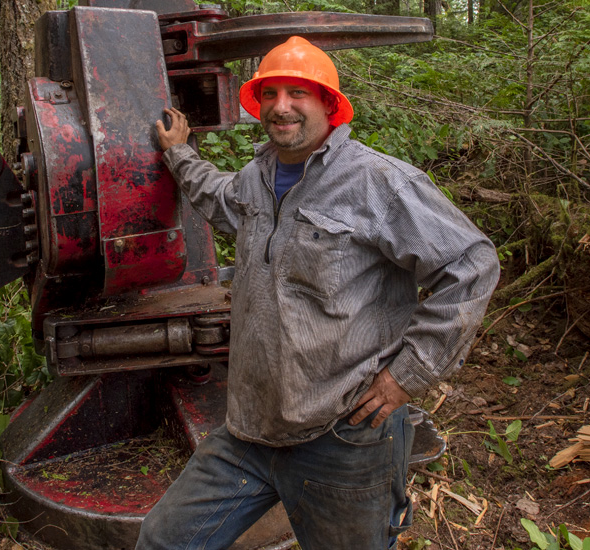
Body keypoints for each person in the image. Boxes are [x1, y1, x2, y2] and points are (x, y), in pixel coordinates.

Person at [138, 36, 500, 549]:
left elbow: (471, 264)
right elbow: (219, 200)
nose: (280, 107)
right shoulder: (256, 177)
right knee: (163, 541)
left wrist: (408, 374)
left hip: (343, 436)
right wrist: (178, 155)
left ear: (329, 104)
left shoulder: (378, 182)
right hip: (248, 430)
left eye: (298, 93)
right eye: (269, 94)